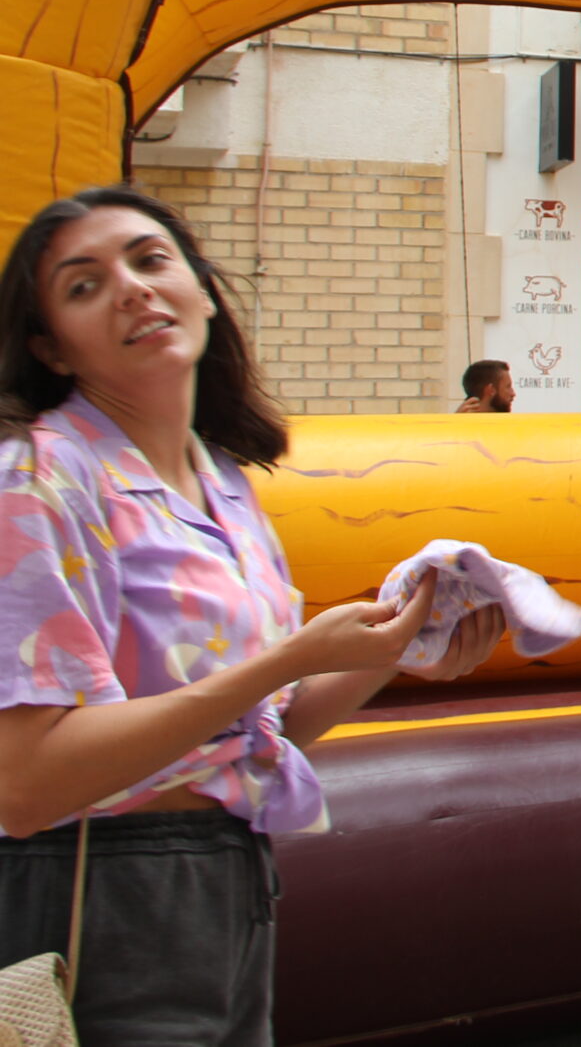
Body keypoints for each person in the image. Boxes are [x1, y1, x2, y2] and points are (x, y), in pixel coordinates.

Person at [0, 185, 504, 1043]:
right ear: (50, 346)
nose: (131, 288)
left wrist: (401, 639)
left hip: (234, 878)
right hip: (99, 886)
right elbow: (25, 781)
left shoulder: (224, 482)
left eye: (152, 259)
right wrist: (282, 660)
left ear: (200, 289)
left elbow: (261, 729)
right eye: (84, 284)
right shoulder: (41, 476)